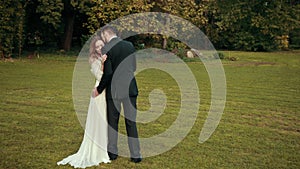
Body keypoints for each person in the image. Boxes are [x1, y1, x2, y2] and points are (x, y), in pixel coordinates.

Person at [57, 36, 110, 168]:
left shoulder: (106, 55)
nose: (99, 48)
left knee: (105, 120)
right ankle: (96, 150)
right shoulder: (93, 59)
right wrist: (103, 63)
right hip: (99, 91)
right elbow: (100, 76)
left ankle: (104, 146)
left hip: (106, 91)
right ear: (94, 48)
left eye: (101, 45)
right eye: (97, 46)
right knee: (99, 120)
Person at [93, 25, 142, 163]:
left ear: (105, 34)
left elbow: (108, 73)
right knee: (131, 122)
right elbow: (134, 67)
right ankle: (136, 155)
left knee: (113, 122)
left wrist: (99, 89)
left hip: (114, 90)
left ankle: (113, 154)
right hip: (130, 89)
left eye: (102, 36)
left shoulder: (106, 48)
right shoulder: (130, 45)